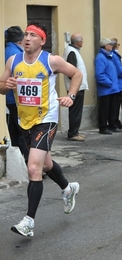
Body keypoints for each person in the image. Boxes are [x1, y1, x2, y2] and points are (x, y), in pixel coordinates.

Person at [0, 22, 82, 237]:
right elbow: (0, 86)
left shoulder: (51, 60)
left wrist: (70, 96)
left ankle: (28, 222)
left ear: (42, 41)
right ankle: (67, 188)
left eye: (33, 35)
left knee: (33, 168)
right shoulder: (13, 60)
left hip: (46, 118)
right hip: (24, 120)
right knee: (45, 164)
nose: (27, 38)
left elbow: (76, 74)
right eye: (25, 34)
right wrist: (5, 85)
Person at [4, 26, 29, 162]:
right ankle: (29, 162)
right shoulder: (16, 54)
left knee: (14, 132)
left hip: (8, 98)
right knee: (23, 133)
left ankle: (17, 162)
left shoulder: (7, 50)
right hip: (16, 98)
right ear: (20, 40)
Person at [63, 33, 89, 141]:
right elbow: (71, 70)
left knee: (76, 110)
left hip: (78, 85)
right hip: (76, 86)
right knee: (75, 111)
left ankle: (75, 131)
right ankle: (73, 133)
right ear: (78, 42)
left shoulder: (73, 51)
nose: (82, 42)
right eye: (82, 40)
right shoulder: (72, 52)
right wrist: (75, 84)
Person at [95, 38, 122, 134]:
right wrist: (109, 83)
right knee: (104, 109)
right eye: (110, 44)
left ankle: (112, 125)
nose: (112, 46)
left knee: (113, 108)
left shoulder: (109, 56)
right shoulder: (101, 58)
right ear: (106, 46)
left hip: (113, 88)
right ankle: (103, 127)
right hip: (106, 89)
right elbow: (99, 75)